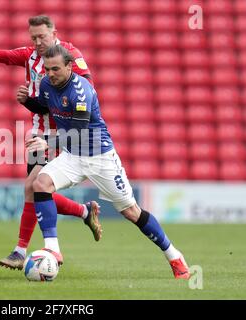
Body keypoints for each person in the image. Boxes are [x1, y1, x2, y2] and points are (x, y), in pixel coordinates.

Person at [0, 15, 102, 270]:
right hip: (38, 133)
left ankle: (22, 250)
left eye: (42, 37)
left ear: (53, 32)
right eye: (33, 37)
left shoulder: (70, 54)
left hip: (62, 133)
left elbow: (87, 87)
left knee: (31, 187)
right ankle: (83, 212)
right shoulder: (28, 56)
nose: (37, 42)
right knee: (36, 190)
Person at [18, 44, 190, 279]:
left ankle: (174, 255)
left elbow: (78, 130)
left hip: (100, 157)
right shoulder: (48, 83)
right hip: (72, 156)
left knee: (131, 212)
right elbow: (45, 106)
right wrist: (28, 101)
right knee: (40, 184)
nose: (50, 74)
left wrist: (47, 142)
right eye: (47, 69)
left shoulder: (81, 91)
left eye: (55, 69)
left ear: (69, 66)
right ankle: (53, 249)